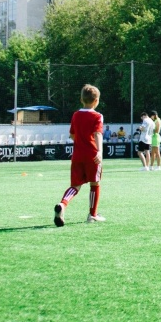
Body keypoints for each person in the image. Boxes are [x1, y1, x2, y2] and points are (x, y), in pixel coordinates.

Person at [55, 84, 106, 225]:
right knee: (95, 183)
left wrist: (81, 143)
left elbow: (72, 134)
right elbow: (97, 134)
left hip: (77, 155)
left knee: (75, 185)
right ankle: (92, 215)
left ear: (81, 99)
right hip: (92, 155)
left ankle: (63, 204)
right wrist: (99, 151)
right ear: (96, 101)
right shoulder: (97, 116)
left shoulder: (76, 115)